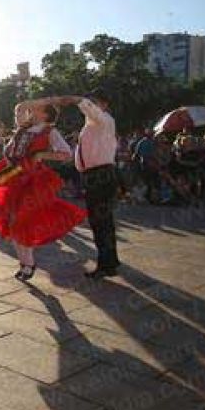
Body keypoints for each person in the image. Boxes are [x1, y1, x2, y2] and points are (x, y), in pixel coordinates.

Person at [0, 101, 85, 279]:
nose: (32, 109)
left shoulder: (49, 131)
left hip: (32, 181)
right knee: (12, 221)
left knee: (22, 220)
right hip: (14, 177)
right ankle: (25, 263)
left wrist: (41, 155)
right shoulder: (23, 129)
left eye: (38, 108)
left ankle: (28, 263)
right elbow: (10, 151)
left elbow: (66, 153)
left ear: (46, 115)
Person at [41, 91, 120, 278]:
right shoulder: (92, 125)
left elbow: (93, 111)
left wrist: (77, 100)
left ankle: (106, 263)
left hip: (101, 174)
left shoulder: (105, 120)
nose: (90, 106)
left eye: (94, 102)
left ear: (104, 104)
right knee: (101, 222)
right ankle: (109, 262)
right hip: (93, 175)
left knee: (101, 222)